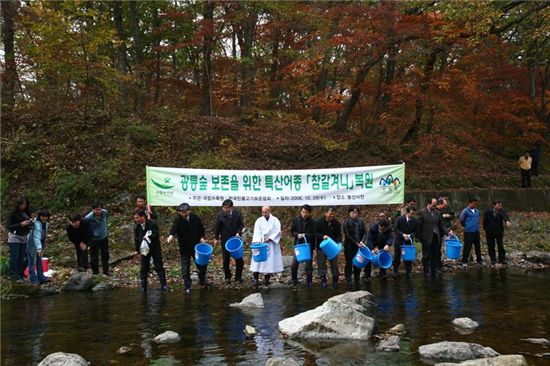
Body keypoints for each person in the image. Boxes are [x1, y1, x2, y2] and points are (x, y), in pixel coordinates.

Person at [167, 203, 207, 293]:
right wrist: (171, 236)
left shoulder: (195, 218)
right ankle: (187, 285)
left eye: (185, 212)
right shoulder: (178, 220)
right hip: (184, 247)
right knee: (185, 268)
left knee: (201, 265)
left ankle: (202, 280)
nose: (184, 214)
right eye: (181, 212)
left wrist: (201, 237)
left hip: (196, 247)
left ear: (189, 211)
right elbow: (173, 229)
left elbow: (201, 228)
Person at [250, 206, 284, 288]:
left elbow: (278, 232)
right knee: (257, 261)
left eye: (265, 212)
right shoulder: (259, 221)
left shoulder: (275, 220)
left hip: (271, 243)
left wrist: (270, 238)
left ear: (269, 211)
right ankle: (256, 279)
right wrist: (258, 240)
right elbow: (256, 232)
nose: (264, 214)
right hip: (260, 243)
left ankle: (267, 279)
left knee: (269, 261)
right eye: (263, 212)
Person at [134, 209, 167, 292]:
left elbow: (156, 234)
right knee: (144, 268)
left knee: (159, 267)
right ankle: (143, 287)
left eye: (137, 218)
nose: (136, 220)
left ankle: (164, 285)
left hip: (155, 248)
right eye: (135, 218)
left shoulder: (152, 223)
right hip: (144, 250)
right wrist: (137, 250)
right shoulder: (137, 226)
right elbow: (136, 239)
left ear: (143, 217)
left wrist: (148, 237)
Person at [214, 199, 244, 284]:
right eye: (224, 208)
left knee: (239, 259)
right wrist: (216, 238)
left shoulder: (237, 214)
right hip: (225, 239)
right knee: (226, 259)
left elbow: (241, 224)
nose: (225, 210)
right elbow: (217, 227)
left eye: (227, 208)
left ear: (232, 207)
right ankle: (227, 276)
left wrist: (238, 232)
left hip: (236, 239)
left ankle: (238, 277)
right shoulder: (220, 215)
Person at [417, 198, 450, 276]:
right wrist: (419, 237)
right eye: (433, 206)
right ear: (428, 204)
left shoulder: (437, 213)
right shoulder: (422, 212)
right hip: (426, 237)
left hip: (436, 236)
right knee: (426, 255)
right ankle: (426, 271)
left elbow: (441, 224)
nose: (434, 207)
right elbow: (418, 226)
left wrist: (447, 232)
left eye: (435, 206)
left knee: (435, 255)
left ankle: (434, 270)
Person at [314, 206, 342, 288]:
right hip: (321, 247)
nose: (332, 216)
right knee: (321, 264)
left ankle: (335, 280)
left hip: (332, 247)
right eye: (330, 214)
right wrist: (322, 236)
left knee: (334, 264)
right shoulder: (319, 222)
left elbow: (339, 235)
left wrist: (339, 243)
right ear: (326, 213)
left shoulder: (336, 223)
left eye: (333, 214)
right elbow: (315, 233)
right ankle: (323, 280)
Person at [290, 204, 316, 287]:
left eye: (306, 212)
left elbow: (313, 234)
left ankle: (309, 281)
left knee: (308, 264)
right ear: (301, 212)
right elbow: (292, 231)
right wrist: (297, 235)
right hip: (298, 245)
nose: (304, 214)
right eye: (303, 212)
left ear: (309, 213)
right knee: (294, 263)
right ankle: (294, 280)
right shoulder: (296, 220)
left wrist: (305, 235)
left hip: (308, 245)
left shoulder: (312, 222)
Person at [6, 197, 32, 281]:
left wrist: (30, 223)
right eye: (22, 204)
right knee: (15, 256)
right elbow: (9, 226)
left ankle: (20, 273)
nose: (24, 206)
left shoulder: (27, 212)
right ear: (18, 205)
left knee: (22, 257)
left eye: (25, 204)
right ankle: (13, 274)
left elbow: (28, 224)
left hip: (24, 236)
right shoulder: (13, 214)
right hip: (14, 236)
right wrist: (20, 224)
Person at [343, 206, 367, 288]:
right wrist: (356, 243)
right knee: (349, 262)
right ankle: (348, 278)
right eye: (352, 212)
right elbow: (347, 235)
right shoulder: (346, 222)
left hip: (359, 245)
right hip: (349, 245)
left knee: (358, 262)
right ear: (349, 213)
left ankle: (357, 278)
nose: (354, 214)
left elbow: (365, 232)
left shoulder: (361, 221)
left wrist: (362, 241)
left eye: (356, 212)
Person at [84, 202, 110, 276]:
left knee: (105, 254)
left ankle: (106, 271)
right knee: (94, 256)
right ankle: (95, 272)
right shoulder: (88, 218)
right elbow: (86, 227)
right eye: (96, 210)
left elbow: (106, 219)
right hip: (94, 239)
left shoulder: (105, 213)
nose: (98, 211)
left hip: (104, 237)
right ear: (93, 210)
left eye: (99, 209)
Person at [483, 200, 512, 266]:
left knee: (500, 245)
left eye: (501, 205)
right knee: (491, 246)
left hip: (499, 231)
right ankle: (493, 260)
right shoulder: (488, 212)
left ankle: (502, 259)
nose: (500, 207)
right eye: (498, 205)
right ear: (494, 205)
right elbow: (485, 222)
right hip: (489, 232)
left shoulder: (502, 211)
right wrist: (486, 229)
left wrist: (507, 221)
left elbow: (505, 217)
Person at [393, 207, 419, 279]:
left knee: (408, 257)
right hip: (399, 240)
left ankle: (409, 272)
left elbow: (416, 231)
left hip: (408, 241)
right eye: (411, 214)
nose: (413, 215)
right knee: (397, 257)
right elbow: (396, 229)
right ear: (407, 213)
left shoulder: (415, 221)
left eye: (414, 214)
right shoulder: (400, 219)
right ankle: (395, 271)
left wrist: (410, 235)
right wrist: (403, 234)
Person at [27, 209, 51, 285]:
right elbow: (36, 237)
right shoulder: (37, 224)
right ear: (39, 216)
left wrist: (42, 246)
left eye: (46, 217)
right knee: (32, 262)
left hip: (39, 244)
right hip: (32, 244)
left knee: (39, 261)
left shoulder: (46, 223)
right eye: (42, 216)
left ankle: (41, 278)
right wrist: (39, 248)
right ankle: (33, 280)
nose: (44, 218)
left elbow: (44, 236)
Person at [460, 198, 482, 266]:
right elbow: (461, 220)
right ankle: (464, 261)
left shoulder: (477, 211)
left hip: (476, 231)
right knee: (467, 246)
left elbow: (478, 219)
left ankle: (479, 260)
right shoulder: (465, 211)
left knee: (477, 246)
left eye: (476, 204)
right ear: (469, 203)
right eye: (473, 204)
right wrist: (466, 226)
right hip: (468, 232)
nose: (475, 205)